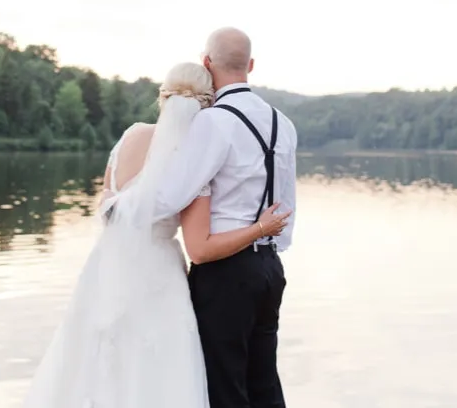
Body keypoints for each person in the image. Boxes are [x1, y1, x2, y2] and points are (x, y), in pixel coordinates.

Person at [22, 60, 292, 408]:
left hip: (107, 266)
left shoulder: (130, 136)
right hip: (159, 273)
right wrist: (260, 228)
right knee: (159, 372)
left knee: (94, 360)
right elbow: (199, 245)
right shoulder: (189, 161)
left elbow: (107, 204)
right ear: (207, 104)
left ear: (163, 95)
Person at [156, 27, 298, 408]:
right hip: (269, 267)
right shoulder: (283, 123)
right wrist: (267, 243)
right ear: (250, 65)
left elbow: (172, 196)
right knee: (265, 386)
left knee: (225, 388)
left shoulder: (213, 122)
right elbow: (286, 204)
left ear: (206, 63)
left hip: (224, 271)